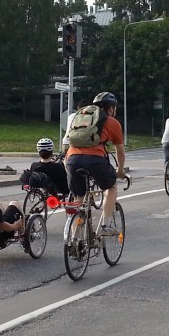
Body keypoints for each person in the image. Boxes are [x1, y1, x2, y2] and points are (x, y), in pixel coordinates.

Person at [67, 92, 126, 236]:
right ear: (111, 108)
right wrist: (120, 170)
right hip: (95, 160)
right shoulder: (112, 122)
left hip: (72, 159)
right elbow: (120, 151)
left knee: (79, 198)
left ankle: (74, 238)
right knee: (111, 186)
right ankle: (105, 225)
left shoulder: (81, 119)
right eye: (114, 108)